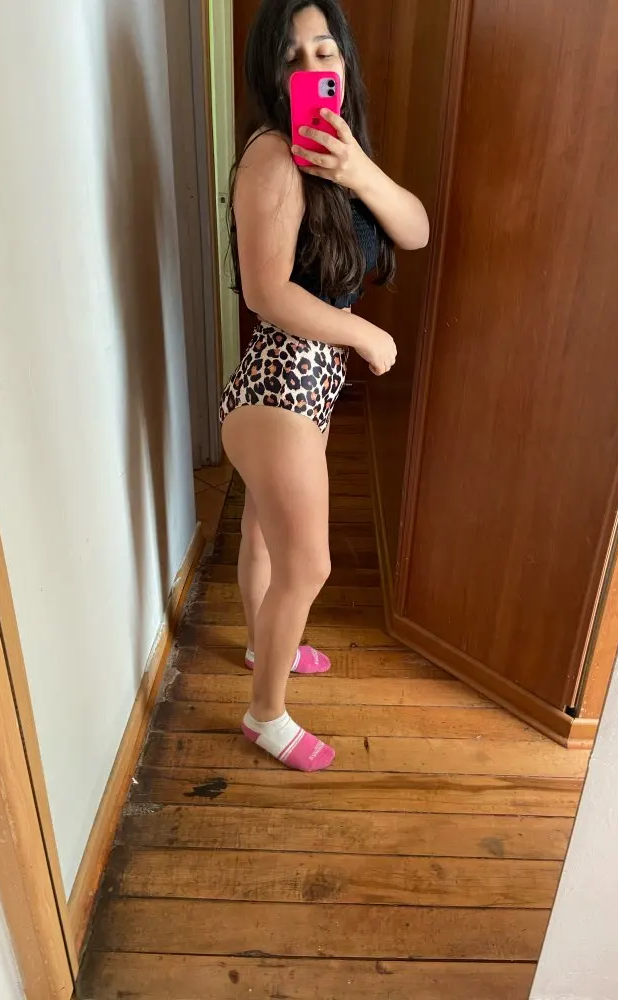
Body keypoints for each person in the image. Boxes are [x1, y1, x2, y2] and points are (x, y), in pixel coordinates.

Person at [219, 0, 429, 772]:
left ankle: (262, 647)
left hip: (303, 385)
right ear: (269, 73)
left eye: (325, 50)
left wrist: (357, 169)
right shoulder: (273, 157)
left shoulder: (338, 155)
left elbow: (415, 229)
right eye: (292, 56)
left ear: (345, 61)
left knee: (262, 538)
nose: (313, 66)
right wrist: (363, 333)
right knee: (307, 565)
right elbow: (266, 292)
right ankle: (265, 715)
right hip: (280, 385)